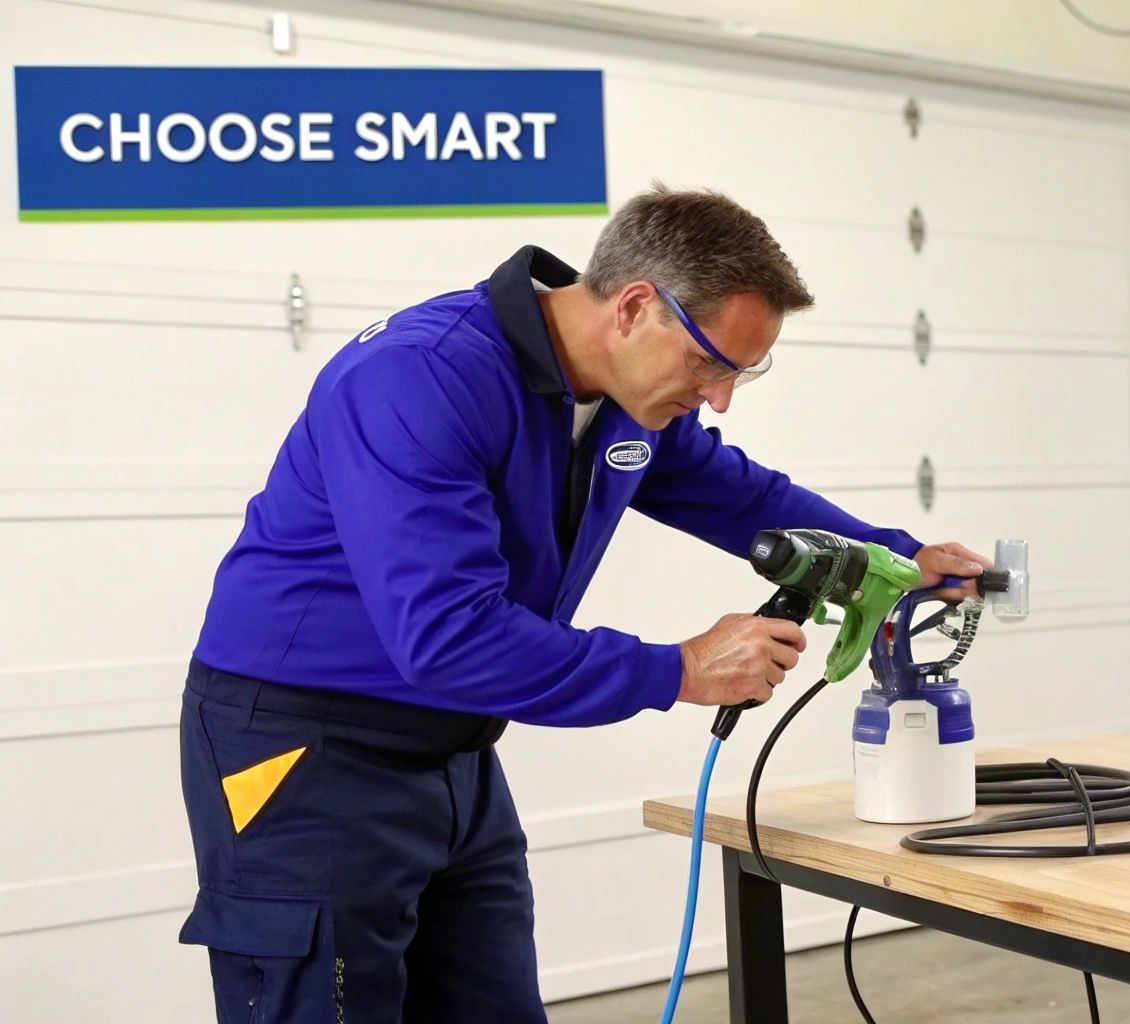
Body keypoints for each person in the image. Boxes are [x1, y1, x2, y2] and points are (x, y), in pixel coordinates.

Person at [176, 184, 988, 1022]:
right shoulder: (420, 377)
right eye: (711, 363)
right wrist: (677, 670)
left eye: (744, 373)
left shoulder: (617, 398)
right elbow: (448, 637)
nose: (719, 398)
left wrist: (896, 559)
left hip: (454, 747)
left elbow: (739, 497)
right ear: (637, 306)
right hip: (303, 747)